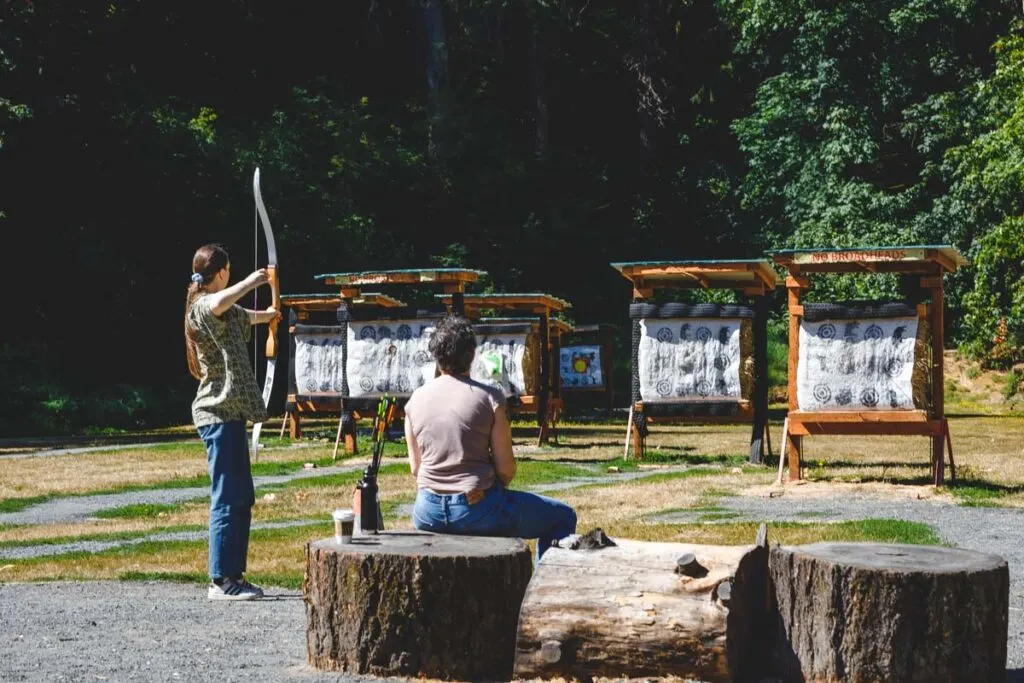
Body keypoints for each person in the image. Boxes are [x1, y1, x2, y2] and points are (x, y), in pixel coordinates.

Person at [404, 315, 577, 561]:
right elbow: (506, 471)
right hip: (476, 507)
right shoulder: (489, 398)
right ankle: (542, 585)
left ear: (436, 355)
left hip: (427, 510)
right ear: (472, 354)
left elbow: (416, 468)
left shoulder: (415, 399)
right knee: (563, 516)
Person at [184, 243, 280, 601]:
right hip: (215, 413)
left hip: (231, 414)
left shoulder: (225, 308)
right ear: (222, 272)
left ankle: (235, 575)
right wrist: (252, 281)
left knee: (241, 496)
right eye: (229, 271)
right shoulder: (200, 307)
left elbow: (246, 315)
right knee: (226, 496)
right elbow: (218, 303)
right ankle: (220, 580)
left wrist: (270, 315)